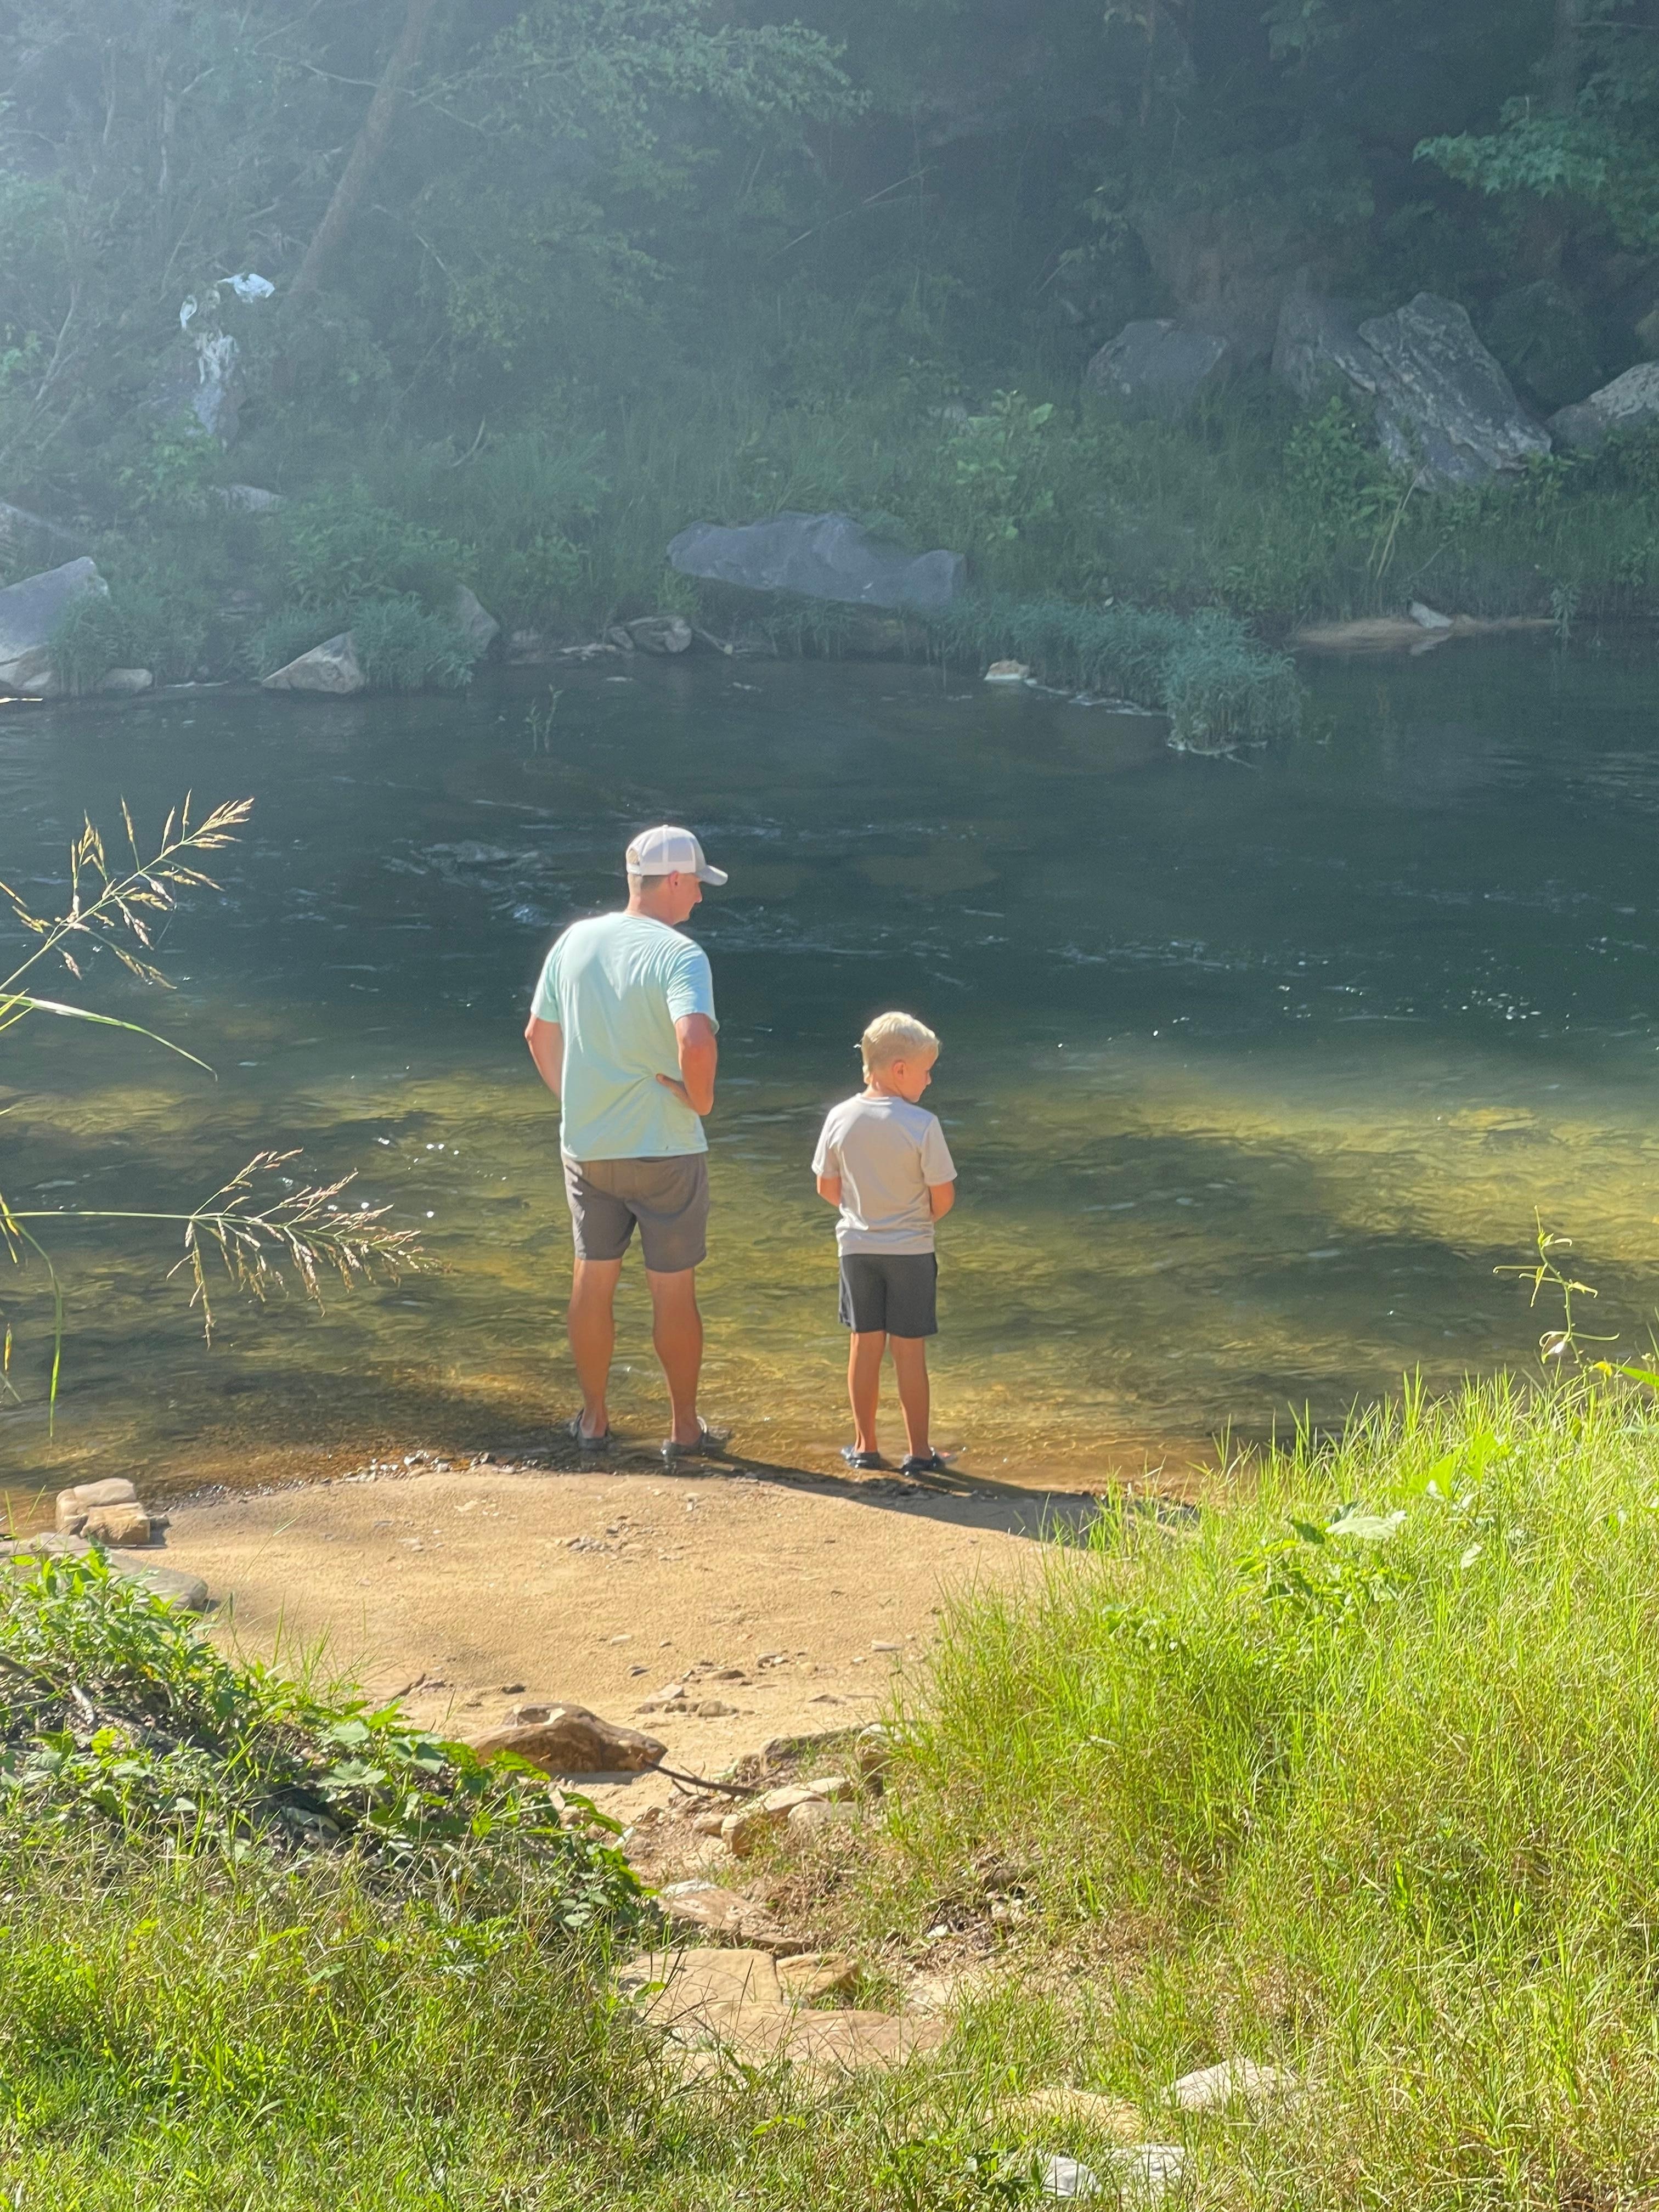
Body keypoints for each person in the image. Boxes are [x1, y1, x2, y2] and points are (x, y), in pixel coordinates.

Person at [524, 824, 729, 1460]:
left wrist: (575, 1101)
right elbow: (695, 1040)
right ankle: (684, 1431)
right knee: (673, 1289)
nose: (699, 896)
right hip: (666, 1147)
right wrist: (701, 1101)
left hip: (588, 1147)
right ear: (672, 881)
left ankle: (593, 1421)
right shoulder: (680, 954)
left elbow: (537, 1034)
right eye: (696, 883)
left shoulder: (574, 940)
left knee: (593, 1279)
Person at [812, 1011, 957, 1474]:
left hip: (857, 1248)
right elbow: (944, 1197)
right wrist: (916, 1219)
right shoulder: (921, 1125)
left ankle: (865, 1446)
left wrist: (862, 1212)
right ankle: (918, 1452)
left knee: (864, 1343)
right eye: (925, 1070)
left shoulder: (839, 1117)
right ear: (899, 1070)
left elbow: (826, 1188)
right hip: (911, 1251)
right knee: (909, 1351)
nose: (930, 1080)